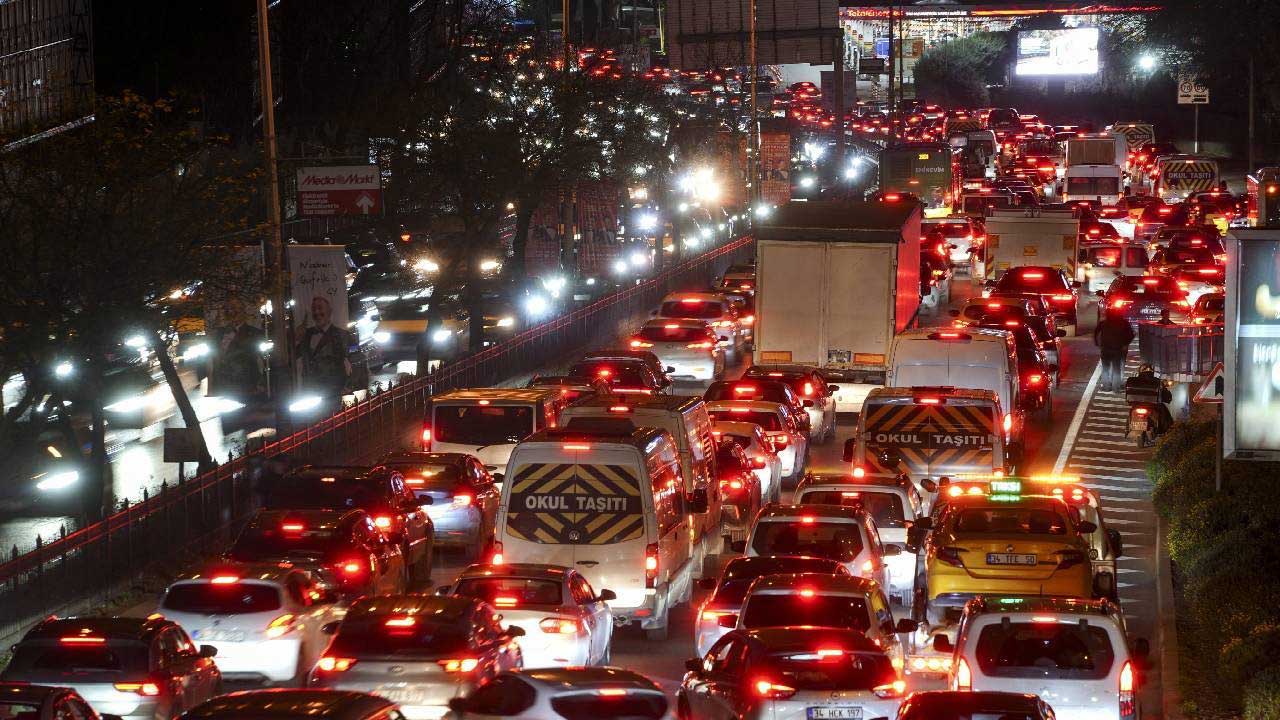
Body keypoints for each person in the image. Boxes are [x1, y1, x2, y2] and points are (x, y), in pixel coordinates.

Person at [295, 295, 353, 401]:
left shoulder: (342, 335)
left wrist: (349, 386)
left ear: (330, 311)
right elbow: (292, 358)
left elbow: (358, 360)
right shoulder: (306, 335)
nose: (317, 312)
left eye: (320, 308)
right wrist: (296, 339)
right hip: (310, 394)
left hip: (334, 394)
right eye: (314, 309)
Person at [1095, 308, 1135, 391]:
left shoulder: (1104, 323)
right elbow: (1131, 334)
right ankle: (1116, 387)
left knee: (1105, 368)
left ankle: (1106, 386)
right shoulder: (1124, 323)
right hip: (1117, 349)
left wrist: (1097, 343)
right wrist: (1125, 344)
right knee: (1117, 368)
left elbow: (1096, 332)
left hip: (1105, 348)